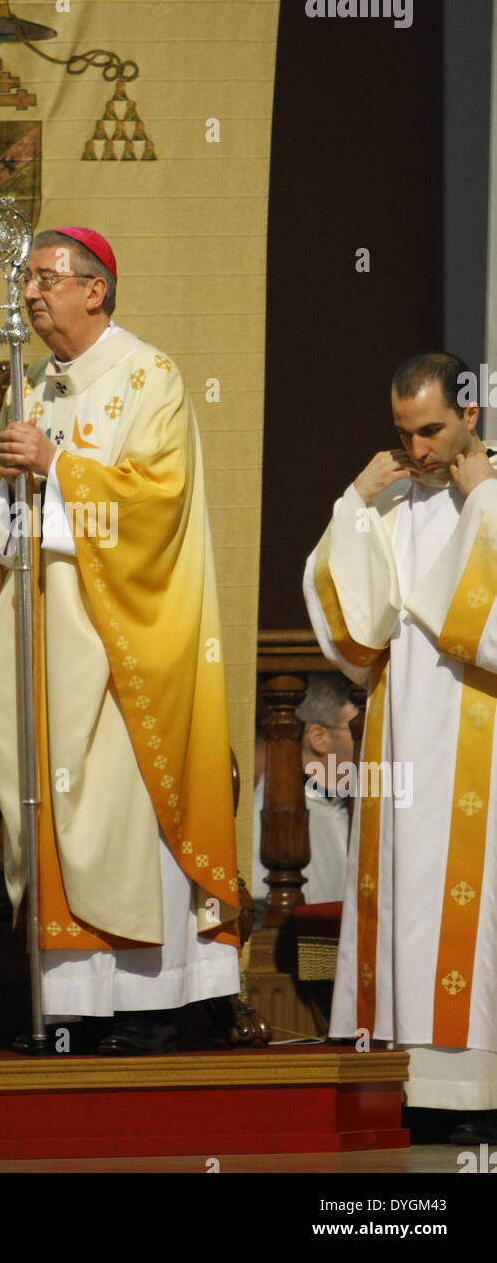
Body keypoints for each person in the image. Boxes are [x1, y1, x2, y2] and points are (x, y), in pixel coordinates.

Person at [0, 226, 241, 1054]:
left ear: (97, 288)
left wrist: (56, 467)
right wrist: (4, 487)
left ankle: (155, 1003)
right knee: (51, 797)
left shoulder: (151, 375)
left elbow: (158, 505)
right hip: (46, 634)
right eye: (28, 283)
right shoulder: (36, 386)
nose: (33, 295)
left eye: (49, 279)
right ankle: (76, 1006)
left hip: (125, 639)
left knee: (119, 802)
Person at [303, 351, 497, 1142]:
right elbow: (356, 640)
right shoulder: (396, 504)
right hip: (403, 729)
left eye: (433, 431)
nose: (416, 451)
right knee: (410, 903)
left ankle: (478, 1090)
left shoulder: (490, 496)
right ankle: (417, 1088)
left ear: (471, 416)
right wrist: (354, 503)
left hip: (481, 735)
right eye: (403, 433)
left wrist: (482, 497)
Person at [251, 674, 356, 921]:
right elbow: (261, 915)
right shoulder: (268, 816)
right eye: (356, 728)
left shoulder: (349, 805)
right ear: (319, 738)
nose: (367, 737)